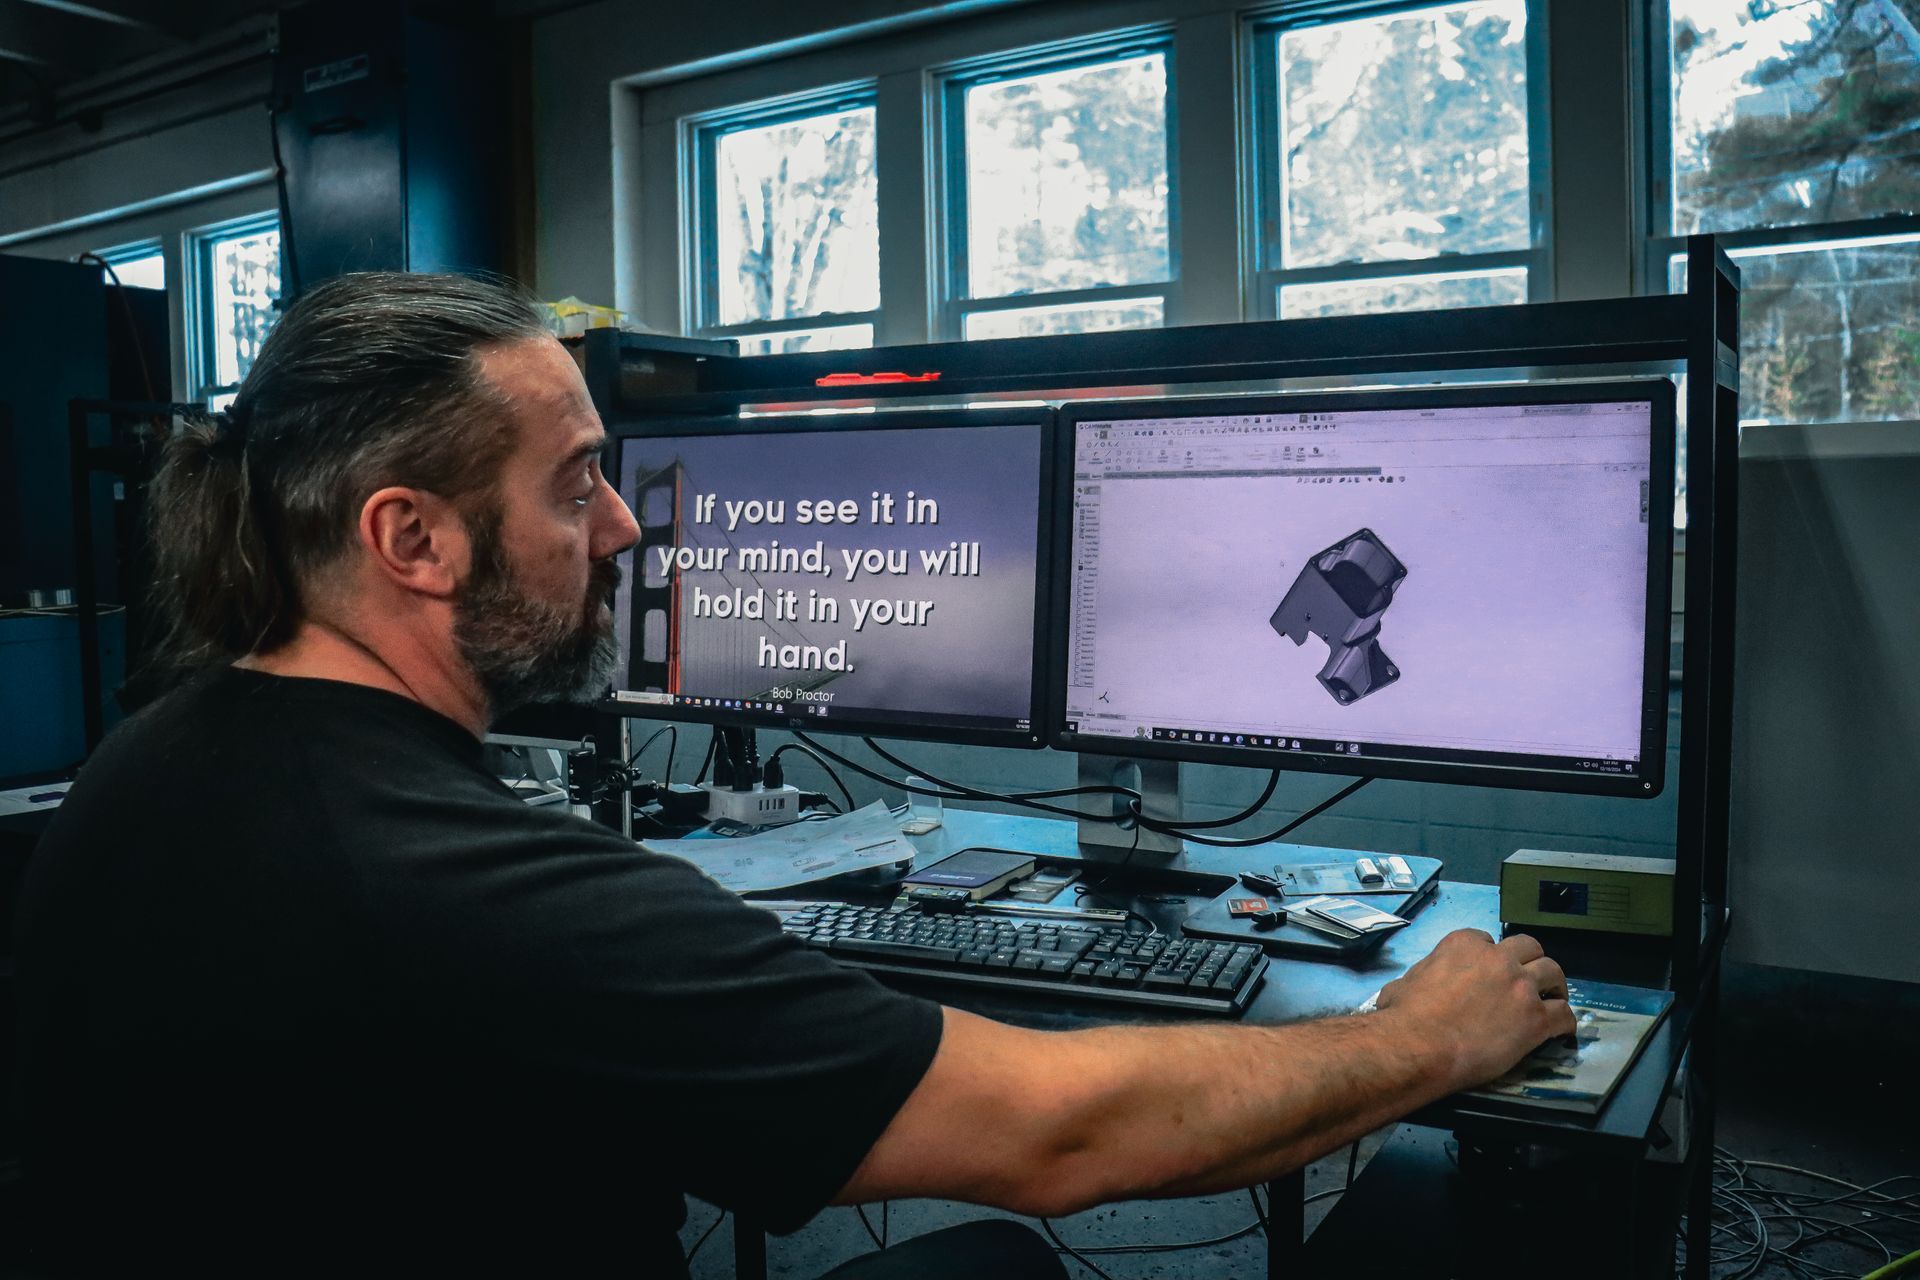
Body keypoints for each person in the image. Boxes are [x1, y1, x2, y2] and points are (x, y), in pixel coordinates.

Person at [13, 273, 1574, 1279]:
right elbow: (1058, 1134)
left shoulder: (149, 766)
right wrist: (1419, 1038)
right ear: (410, 537)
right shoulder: (481, 891)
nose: (625, 528)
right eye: (576, 484)